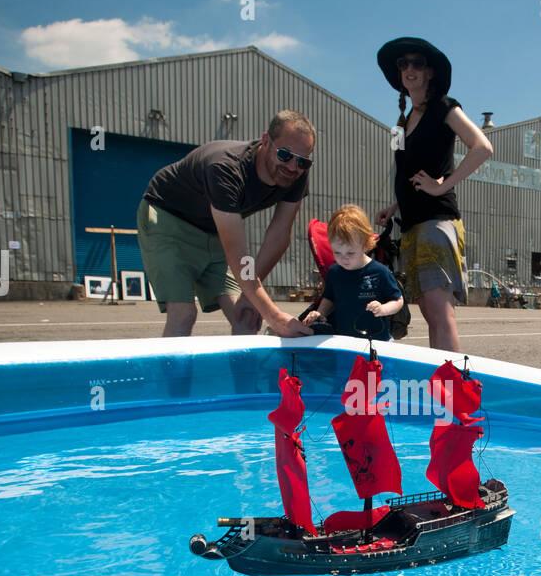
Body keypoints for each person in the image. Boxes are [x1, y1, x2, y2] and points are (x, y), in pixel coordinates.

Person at [137, 110, 315, 338]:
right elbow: (239, 255)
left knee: (246, 317)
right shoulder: (226, 168)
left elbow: (278, 236)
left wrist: (251, 297)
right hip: (168, 219)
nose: (292, 167)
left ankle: (244, 373)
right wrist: (274, 315)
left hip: (213, 231)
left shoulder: (297, 174)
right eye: (284, 155)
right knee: (183, 314)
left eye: (303, 161)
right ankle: (169, 374)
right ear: (265, 141)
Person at [374, 37, 494, 353]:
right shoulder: (399, 126)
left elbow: (482, 147)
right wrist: (394, 204)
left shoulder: (445, 106)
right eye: (403, 64)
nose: (409, 69)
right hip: (411, 224)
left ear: (429, 72)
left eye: (417, 63)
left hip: (436, 221)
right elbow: (403, 173)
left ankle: (452, 392)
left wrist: (442, 185)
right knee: (429, 311)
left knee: (439, 311)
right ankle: (439, 387)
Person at [303, 204, 404, 342]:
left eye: (350, 252)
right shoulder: (334, 272)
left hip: (377, 341)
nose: (344, 258)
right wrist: (320, 313)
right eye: (337, 252)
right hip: (344, 340)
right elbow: (329, 299)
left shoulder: (380, 272)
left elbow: (398, 300)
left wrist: (383, 309)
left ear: (365, 244)